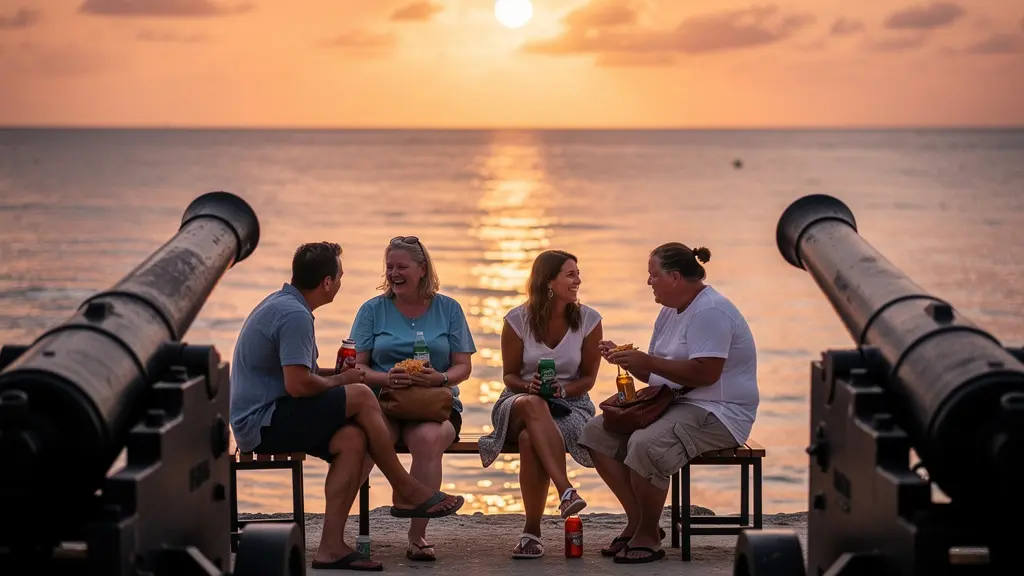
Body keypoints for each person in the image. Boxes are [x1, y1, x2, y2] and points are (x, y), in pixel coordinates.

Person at [229, 241, 465, 572]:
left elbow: (302, 375)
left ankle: (331, 548)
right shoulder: (294, 315)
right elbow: (298, 385)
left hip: (271, 414)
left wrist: (340, 376)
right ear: (327, 282)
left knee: (352, 440)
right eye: (339, 276)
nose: (341, 281)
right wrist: (344, 381)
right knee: (361, 395)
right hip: (264, 422)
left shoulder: (285, 305)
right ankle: (405, 488)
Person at [578, 242, 759, 564]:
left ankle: (648, 534)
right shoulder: (669, 311)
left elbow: (706, 373)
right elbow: (659, 375)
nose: (648, 281)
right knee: (595, 432)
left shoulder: (710, 311)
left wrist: (647, 360)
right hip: (676, 404)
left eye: (653, 275)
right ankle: (640, 522)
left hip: (720, 411)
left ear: (674, 277)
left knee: (645, 443)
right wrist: (628, 360)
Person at [350, 235, 476, 562]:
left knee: (427, 439)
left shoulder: (449, 308)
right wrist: (386, 377)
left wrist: (440, 377)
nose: (394, 273)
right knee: (363, 440)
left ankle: (417, 535)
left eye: (401, 267)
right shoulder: (372, 310)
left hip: (435, 405)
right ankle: (336, 534)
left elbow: (463, 366)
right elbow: (357, 366)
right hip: (384, 402)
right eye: (389, 267)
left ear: (422, 269)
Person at [478, 250, 601, 559]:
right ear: (549, 282)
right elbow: (509, 376)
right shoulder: (517, 320)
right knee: (533, 405)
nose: (578, 280)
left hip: (571, 405)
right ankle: (565, 489)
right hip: (517, 402)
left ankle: (531, 532)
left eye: (578, 273)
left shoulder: (589, 320)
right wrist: (528, 386)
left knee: (529, 439)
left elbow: (588, 379)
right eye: (570, 274)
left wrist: (564, 389)